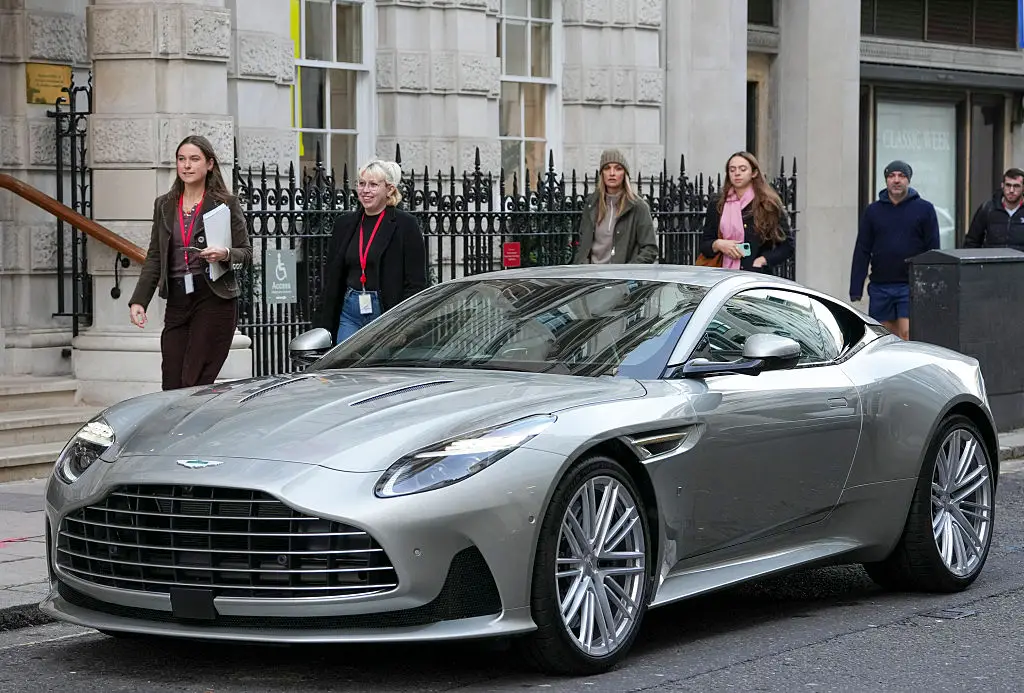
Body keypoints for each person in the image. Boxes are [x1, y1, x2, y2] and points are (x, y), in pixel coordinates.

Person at [128, 135, 252, 390]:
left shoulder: (225, 203)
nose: (186, 165)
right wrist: (140, 300)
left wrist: (225, 253)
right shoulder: (164, 204)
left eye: (194, 159)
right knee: (171, 381)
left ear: (209, 164)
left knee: (194, 381)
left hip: (213, 296)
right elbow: (154, 256)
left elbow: (246, 254)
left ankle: (190, 430)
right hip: (177, 298)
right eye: (181, 159)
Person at [315, 159, 427, 343]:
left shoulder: (405, 225)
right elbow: (332, 277)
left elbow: (416, 282)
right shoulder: (345, 224)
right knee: (346, 366)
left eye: (373, 185)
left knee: (378, 370)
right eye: (361, 184)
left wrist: (403, 325)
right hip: (350, 310)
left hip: (386, 312)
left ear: (389, 189)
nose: (365, 190)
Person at [849, 160, 940, 341]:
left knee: (908, 334)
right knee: (884, 338)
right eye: (891, 176)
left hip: (910, 285)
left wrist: (933, 284)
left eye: (901, 176)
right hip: (881, 286)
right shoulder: (873, 211)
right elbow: (862, 249)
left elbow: (933, 250)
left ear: (908, 180)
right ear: (886, 180)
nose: (896, 180)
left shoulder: (925, 209)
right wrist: (855, 288)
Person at [697, 151, 794, 273]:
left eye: (742, 169)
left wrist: (761, 261)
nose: (737, 173)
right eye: (732, 170)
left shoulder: (768, 203)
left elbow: (787, 246)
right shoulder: (717, 203)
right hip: (721, 275)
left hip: (754, 277)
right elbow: (705, 243)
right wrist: (718, 244)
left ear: (754, 173)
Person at [573, 149, 659, 264]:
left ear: (625, 174)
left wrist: (628, 273)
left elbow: (650, 249)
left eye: (618, 168)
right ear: (602, 173)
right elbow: (583, 245)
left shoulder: (638, 207)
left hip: (621, 278)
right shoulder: (591, 205)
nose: (612, 173)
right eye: (607, 168)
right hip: (591, 277)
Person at [963, 167, 1024, 250]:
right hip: (993, 261)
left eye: (1016, 186)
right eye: (1008, 185)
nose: (1011, 190)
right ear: (1002, 185)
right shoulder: (988, 209)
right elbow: (972, 241)